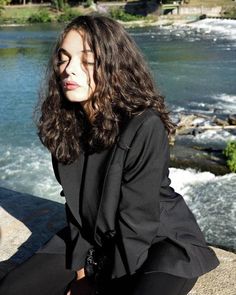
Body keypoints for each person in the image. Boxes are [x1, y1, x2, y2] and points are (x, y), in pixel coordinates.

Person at [0, 15, 219, 295]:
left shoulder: (143, 125)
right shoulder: (64, 124)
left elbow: (138, 223)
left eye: (87, 61)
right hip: (93, 237)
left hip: (156, 241)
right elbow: (76, 210)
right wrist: (81, 269)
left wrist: (100, 283)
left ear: (115, 65)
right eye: (63, 58)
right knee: (12, 288)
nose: (69, 70)